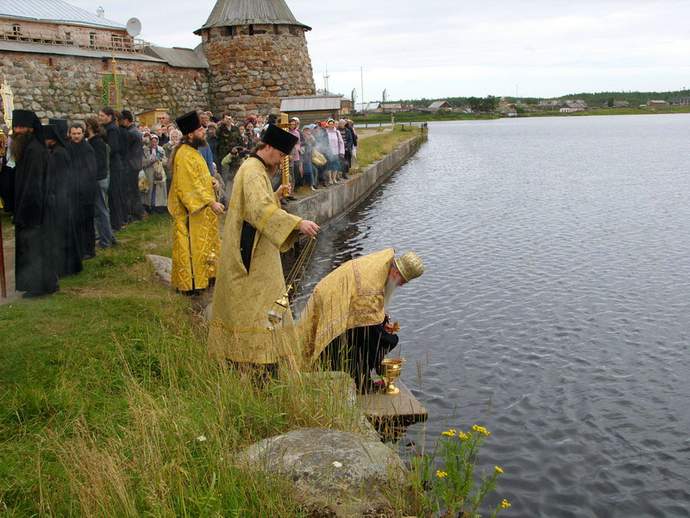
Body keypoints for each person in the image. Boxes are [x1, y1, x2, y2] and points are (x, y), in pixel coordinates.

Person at [208, 124, 320, 367]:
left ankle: (259, 355)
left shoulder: (255, 168)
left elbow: (256, 203)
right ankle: (257, 357)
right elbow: (258, 210)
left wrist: (276, 194)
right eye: (280, 156)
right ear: (267, 147)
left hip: (254, 245)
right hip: (250, 253)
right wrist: (298, 223)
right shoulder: (253, 172)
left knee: (262, 303)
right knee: (258, 304)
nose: (281, 162)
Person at [298, 250, 424, 391]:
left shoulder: (382, 263)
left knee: (367, 336)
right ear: (396, 274)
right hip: (331, 303)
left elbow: (369, 312)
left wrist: (381, 321)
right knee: (371, 340)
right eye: (403, 282)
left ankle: (361, 379)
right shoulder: (371, 288)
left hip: (332, 293)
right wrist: (386, 340)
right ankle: (361, 382)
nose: (401, 286)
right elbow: (367, 327)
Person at [167, 111, 223, 294]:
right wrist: (210, 202)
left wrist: (211, 181)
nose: (204, 132)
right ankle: (191, 285)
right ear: (190, 134)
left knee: (205, 245)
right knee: (192, 247)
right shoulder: (184, 155)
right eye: (200, 129)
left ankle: (205, 277)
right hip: (191, 212)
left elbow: (199, 179)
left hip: (202, 211)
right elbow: (187, 186)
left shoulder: (193, 152)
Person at [8, 110, 58, 297]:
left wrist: (25, 212)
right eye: (15, 127)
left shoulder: (35, 150)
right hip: (29, 208)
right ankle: (39, 284)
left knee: (35, 248)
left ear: (30, 129)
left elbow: (34, 185)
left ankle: (39, 287)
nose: (17, 130)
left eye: (21, 127)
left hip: (35, 211)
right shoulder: (24, 149)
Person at [45, 123, 82, 277]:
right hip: (63, 197)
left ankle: (66, 267)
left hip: (61, 197)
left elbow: (59, 177)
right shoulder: (59, 151)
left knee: (63, 234)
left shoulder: (59, 153)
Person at [67, 123, 98, 259]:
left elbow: (91, 170)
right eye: (73, 133)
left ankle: (89, 250)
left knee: (87, 223)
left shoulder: (87, 149)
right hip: (73, 192)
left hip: (86, 193)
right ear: (70, 134)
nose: (76, 136)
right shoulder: (68, 147)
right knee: (76, 223)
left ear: (83, 134)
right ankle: (79, 249)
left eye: (78, 133)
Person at [85, 118, 116, 249]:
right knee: (102, 209)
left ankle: (105, 240)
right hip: (101, 179)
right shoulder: (97, 142)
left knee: (101, 210)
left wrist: (93, 177)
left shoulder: (96, 143)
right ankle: (109, 237)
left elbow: (99, 163)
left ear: (89, 127)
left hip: (98, 179)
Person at [98, 107, 126, 231]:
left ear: (109, 117)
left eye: (102, 116)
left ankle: (116, 224)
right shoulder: (108, 128)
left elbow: (113, 148)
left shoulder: (112, 129)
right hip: (113, 165)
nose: (100, 118)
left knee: (114, 195)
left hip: (114, 166)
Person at [120, 110, 145, 222]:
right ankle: (138, 213)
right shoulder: (135, 131)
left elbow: (125, 150)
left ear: (126, 120)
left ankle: (134, 214)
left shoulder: (130, 133)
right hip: (135, 164)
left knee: (131, 191)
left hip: (130, 165)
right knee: (134, 191)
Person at [141, 134, 167, 213]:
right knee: (148, 190)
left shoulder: (161, 149)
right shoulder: (145, 150)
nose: (154, 143)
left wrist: (161, 161)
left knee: (159, 190)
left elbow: (165, 160)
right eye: (152, 141)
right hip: (148, 173)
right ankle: (148, 206)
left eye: (156, 141)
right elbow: (142, 163)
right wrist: (151, 161)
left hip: (159, 172)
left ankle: (158, 206)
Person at [325, 119, 344, 185]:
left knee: (335, 166)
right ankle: (330, 179)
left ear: (333, 124)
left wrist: (341, 152)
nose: (331, 125)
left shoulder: (337, 132)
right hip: (329, 152)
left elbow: (341, 142)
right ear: (328, 124)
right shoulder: (326, 132)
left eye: (332, 124)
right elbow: (325, 142)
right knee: (329, 166)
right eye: (329, 124)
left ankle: (334, 178)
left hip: (336, 151)